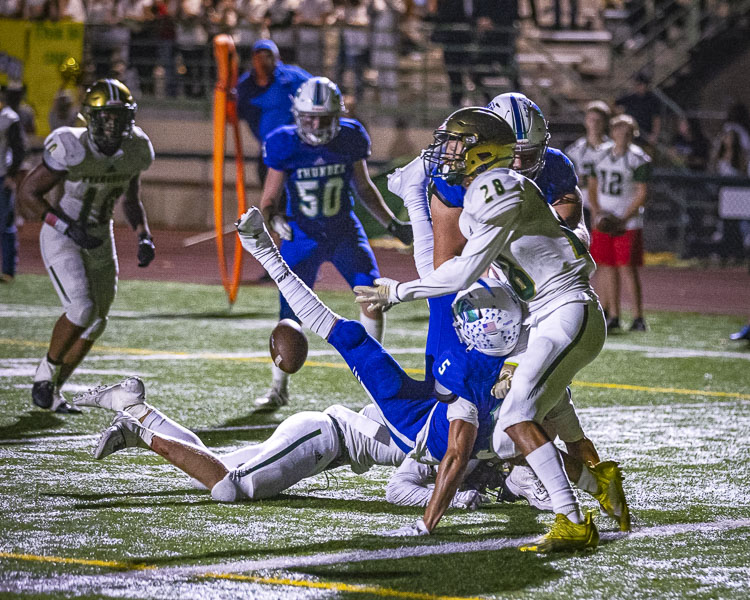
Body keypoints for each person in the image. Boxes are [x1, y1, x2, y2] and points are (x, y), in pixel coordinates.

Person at [235, 207, 626, 544]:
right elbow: (563, 431)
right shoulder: (530, 343)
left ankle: (269, 253)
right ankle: (593, 488)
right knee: (522, 436)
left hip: (417, 428)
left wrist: (429, 523)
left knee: (353, 334)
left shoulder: (469, 365)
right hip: (466, 421)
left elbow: (455, 454)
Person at [354, 107, 619, 551]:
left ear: (481, 153)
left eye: (457, 144)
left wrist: (398, 292)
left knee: (518, 415)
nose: (449, 152)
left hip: (565, 309)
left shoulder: (496, 188)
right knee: (508, 430)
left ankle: (572, 519)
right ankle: (597, 483)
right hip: (544, 311)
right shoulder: (483, 191)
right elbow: (466, 265)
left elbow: (460, 272)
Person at [74, 377, 497, 510]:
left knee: (217, 462)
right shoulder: (452, 437)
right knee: (229, 488)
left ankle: (139, 411)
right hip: (321, 437)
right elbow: (398, 488)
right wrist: (456, 500)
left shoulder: (466, 415)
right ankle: (142, 429)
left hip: (326, 442)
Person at [254, 76, 412, 411]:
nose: (314, 124)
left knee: (372, 300)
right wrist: (276, 220)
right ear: (298, 115)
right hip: (302, 235)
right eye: (308, 117)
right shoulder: (285, 143)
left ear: (336, 116)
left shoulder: (350, 136)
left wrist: (393, 224)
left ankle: (373, 378)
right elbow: (269, 199)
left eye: (322, 118)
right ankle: (278, 387)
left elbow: (365, 188)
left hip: (343, 231)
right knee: (289, 318)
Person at [17, 79, 155, 414]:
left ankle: (52, 392)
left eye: (117, 116)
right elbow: (28, 194)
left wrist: (144, 234)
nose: (111, 124)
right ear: (89, 118)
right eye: (104, 116)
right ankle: (44, 375)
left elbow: (132, 199)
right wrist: (66, 226)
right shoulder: (71, 146)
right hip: (63, 230)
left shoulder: (136, 149)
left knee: (97, 320)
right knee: (81, 309)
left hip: (99, 233)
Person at [588, 114, 651, 333]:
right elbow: (592, 186)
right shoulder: (601, 154)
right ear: (612, 131)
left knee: (627, 267)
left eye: (626, 131)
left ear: (632, 134)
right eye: (618, 130)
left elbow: (642, 193)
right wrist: (597, 212)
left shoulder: (638, 158)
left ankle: (638, 317)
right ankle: (613, 315)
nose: (621, 135)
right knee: (606, 266)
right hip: (605, 219)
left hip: (627, 221)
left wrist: (622, 218)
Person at [236, 39, 311, 185]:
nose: (263, 61)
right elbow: (236, 112)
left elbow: (318, 88)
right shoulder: (245, 85)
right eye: (259, 57)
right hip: (268, 149)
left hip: (294, 147)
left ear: (277, 58)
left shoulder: (291, 77)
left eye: (268, 56)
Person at [565, 100, 613, 230]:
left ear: (605, 123)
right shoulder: (574, 150)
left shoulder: (613, 150)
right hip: (582, 205)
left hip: (607, 204)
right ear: (586, 121)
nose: (595, 124)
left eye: (599, 120)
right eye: (592, 120)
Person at [0, 86, 25, 283]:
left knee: (5, 224)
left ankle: (8, 270)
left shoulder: (9, 118)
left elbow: (19, 147)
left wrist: (12, 173)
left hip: (2, 176)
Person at [615, 72, 662, 148]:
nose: (638, 87)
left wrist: (654, 135)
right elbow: (615, 105)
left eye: (640, 85)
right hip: (630, 135)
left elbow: (656, 119)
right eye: (636, 85)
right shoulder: (629, 98)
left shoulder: (653, 100)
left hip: (645, 136)